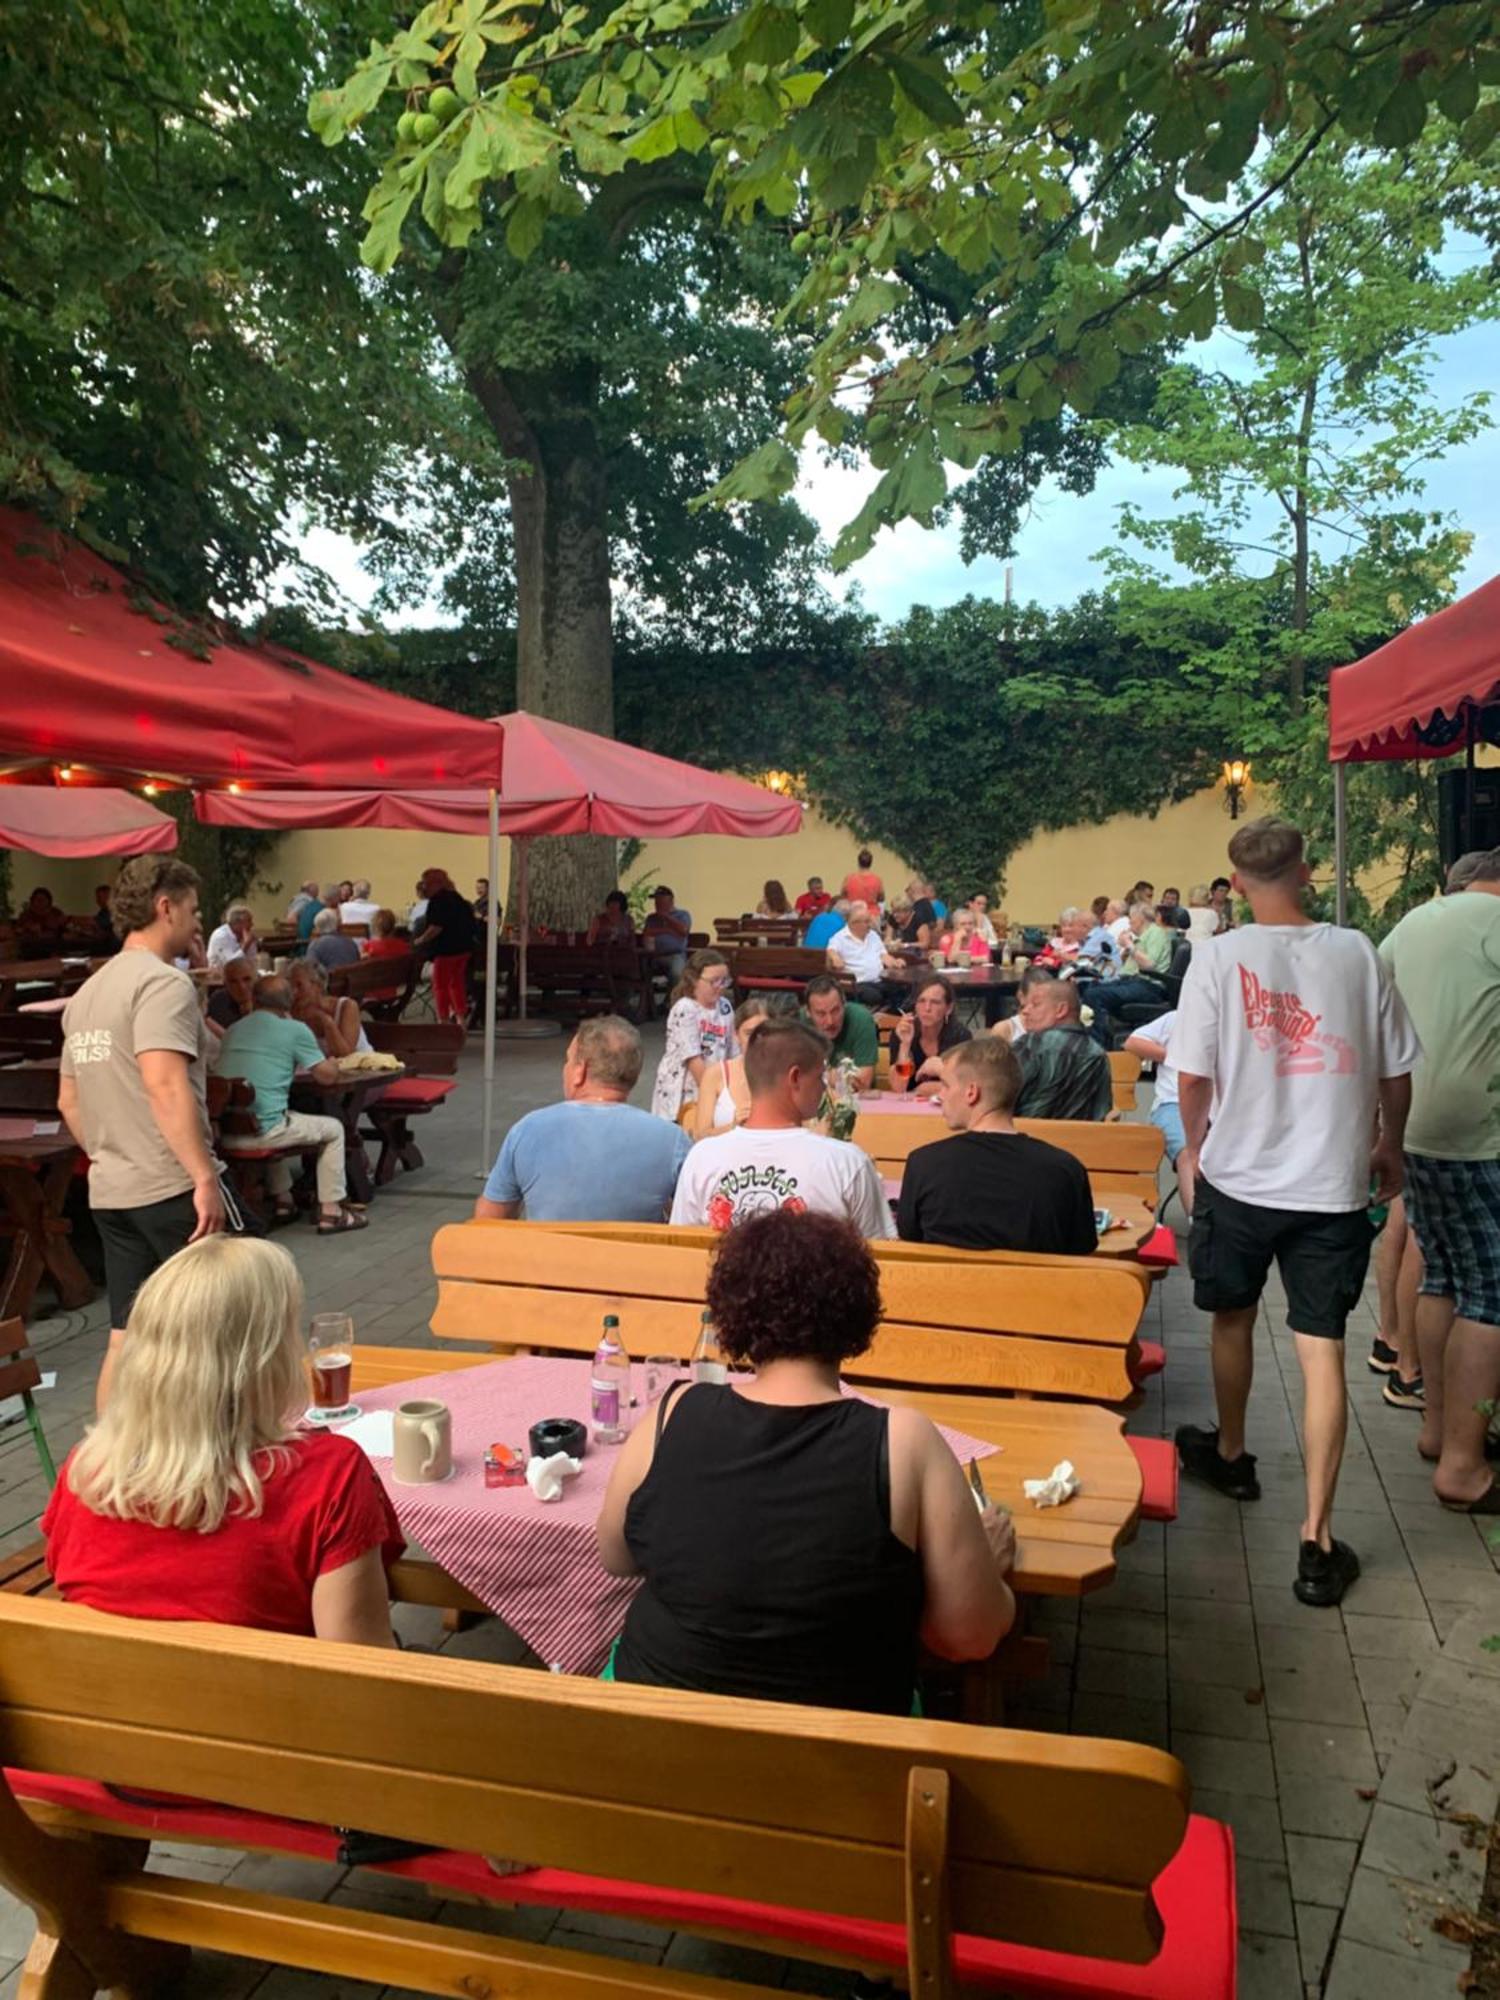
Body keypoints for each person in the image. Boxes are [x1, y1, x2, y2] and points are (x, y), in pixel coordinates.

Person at [598, 1209, 1014, 1712]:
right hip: (842, 1767)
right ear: (857, 1312)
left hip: (646, 1744)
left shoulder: (672, 1413)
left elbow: (615, 1557)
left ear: (732, 1315)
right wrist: (986, 1569)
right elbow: (968, 1638)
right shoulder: (903, 1441)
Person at [1172, 817, 1418, 1607]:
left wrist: (1193, 1147)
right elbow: (1396, 1069)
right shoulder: (1357, 953)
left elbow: (1192, 1076)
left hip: (1240, 1179)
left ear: (1236, 883)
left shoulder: (1216, 956)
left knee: (1232, 1320)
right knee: (1321, 1352)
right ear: (1306, 872)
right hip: (1331, 1184)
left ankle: (1235, 1454)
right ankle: (1316, 1539)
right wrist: (1392, 1144)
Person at [42, 1236, 401, 1642]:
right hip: (273, 1703)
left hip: (99, 1700)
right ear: (267, 1358)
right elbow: (361, 1667)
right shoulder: (329, 1476)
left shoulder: (84, 1471)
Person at [57, 856, 223, 1408]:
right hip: (170, 1184)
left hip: (113, 1189)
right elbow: (165, 1084)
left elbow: (69, 1100)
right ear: (164, 906)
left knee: (126, 1334)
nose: (198, 924)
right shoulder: (159, 985)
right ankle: (214, 1453)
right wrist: (202, 1176)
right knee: (217, 1329)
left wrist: (111, 1149)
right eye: (194, 911)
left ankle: (105, 1463)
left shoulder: (88, 994)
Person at [1378, 845, 1500, 1513]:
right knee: (1493, 1292)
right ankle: (1463, 1465)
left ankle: (1437, 1430)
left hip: (1418, 1123)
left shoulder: (1419, 920)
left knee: (1444, 1276)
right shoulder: (1494, 921)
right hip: (1483, 1133)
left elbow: (1374, 997)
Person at [670, 1019, 894, 1237]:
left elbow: (683, 1251)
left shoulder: (702, 1158)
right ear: (795, 1078)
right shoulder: (846, 1163)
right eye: (820, 1077)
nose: (824, 1086)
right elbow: (882, 1256)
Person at [477, 1017, 692, 1223]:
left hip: (548, 1259)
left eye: (568, 1060)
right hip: (633, 1260)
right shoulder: (672, 1140)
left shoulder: (527, 1130)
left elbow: (488, 1221)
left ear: (580, 1071)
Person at [898, 1039, 1096, 1255]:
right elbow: (1081, 1251)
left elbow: (911, 1242)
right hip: (1036, 1288)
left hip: (947, 1287)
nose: (941, 1095)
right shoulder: (1065, 1170)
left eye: (945, 1085)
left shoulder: (924, 1164)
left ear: (971, 1092)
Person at [217, 977, 368, 1234]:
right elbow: (326, 1076)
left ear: (254, 999)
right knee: (333, 1128)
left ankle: (284, 1201)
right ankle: (332, 1211)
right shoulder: (295, 1030)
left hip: (226, 1132)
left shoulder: (233, 1029)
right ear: (288, 1003)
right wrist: (331, 1063)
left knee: (273, 1114)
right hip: (265, 1133)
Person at [1005, 975, 1112, 1121]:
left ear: (1061, 1010)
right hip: (1078, 1142)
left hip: (1025, 1138)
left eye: (1035, 1005)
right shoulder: (1098, 1054)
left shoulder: (1030, 1044)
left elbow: (999, 1099)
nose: (1025, 1011)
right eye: (1025, 1005)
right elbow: (1102, 1113)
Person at [694, 995, 798, 1137]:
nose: (756, 1040)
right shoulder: (716, 1074)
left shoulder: (789, 1074)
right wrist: (733, 1127)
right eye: (749, 1033)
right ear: (736, 1035)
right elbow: (699, 1135)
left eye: (763, 1033)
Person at [651, 950, 737, 1121]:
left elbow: (734, 1050)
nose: (720, 987)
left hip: (715, 1087)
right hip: (683, 1094)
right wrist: (718, 1095)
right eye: (714, 981)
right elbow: (693, 1060)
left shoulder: (725, 1007)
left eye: (724, 981)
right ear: (694, 980)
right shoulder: (685, 1009)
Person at [1124, 1010, 1193, 1217]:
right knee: (1187, 1152)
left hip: (1223, 1108)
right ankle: (1199, 1223)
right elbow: (1133, 1042)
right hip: (1174, 1103)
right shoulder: (1178, 1018)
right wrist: (1175, 1057)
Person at [1079, 902, 1175, 1047]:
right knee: (1090, 986)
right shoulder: (1138, 937)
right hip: (1130, 980)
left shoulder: (1156, 933)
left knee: (1095, 995)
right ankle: (1102, 1037)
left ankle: (1098, 1046)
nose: (1129, 923)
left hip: (1149, 986)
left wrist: (1129, 945)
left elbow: (1150, 965)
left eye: (1131, 919)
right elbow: (1125, 966)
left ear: (1140, 919)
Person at [411, 867, 477, 1025]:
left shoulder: (438, 901)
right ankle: (461, 1018)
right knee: (456, 984)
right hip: (464, 948)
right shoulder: (457, 897)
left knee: (440, 985)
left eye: (426, 883)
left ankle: (443, 1020)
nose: (424, 886)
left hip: (447, 950)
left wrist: (420, 940)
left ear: (435, 884)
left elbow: (436, 927)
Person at [891, 973, 970, 1097]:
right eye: (921, 1001)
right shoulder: (902, 1032)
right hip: (909, 1109)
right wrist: (905, 1045)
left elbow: (962, 1085)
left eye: (935, 1002)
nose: (927, 1008)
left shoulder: (960, 1036)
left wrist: (922, 1090)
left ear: (948, 1008)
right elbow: (899, 1088)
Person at [804, 974, 879, 1092]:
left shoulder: (861, 1019)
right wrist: (840, 1077)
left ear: (844, 1005)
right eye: (821, 1014)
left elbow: (863, 1082)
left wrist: (818, 1076)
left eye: (835, 1011)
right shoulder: (798, 1024)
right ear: (808, 1012)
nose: (830, 1021)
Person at [287, 958, 369, 1059]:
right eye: (291, 986)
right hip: (325, 1072)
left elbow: (345, 1056)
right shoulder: (293, 1011)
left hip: (363, 1070)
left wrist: (326, 1020)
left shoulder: (347, 1007)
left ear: (318, 986)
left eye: (299, 985)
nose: (293, 992)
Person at [825, 900, 901, 1006]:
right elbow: (831, 950)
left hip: (879, 980)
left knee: (900, 989)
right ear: (854, 923)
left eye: (869, 921)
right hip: (857, 984)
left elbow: (884, 955)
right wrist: (835, 957)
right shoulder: (840, 938)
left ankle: (894, 1018)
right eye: (867, 922)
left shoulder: (873, 935)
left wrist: (894, 961)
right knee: (875, 996)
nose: (870, 925)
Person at [641, 885, 693, 985]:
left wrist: (666, 917)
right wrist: (667, 930)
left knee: (677, 973)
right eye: (656, 901)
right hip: (654, 956)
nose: (657, 904)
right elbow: (647, 932)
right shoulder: (651, 918)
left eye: (661, 901)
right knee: (637, 969)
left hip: (675, 955)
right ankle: (648, 999)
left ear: (671, 901)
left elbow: (684, 930)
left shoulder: (682, 915)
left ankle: (673, 998)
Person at [207, 954, 257, 1033]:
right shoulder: (218, 1002)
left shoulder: (269, 1001)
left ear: (256, 979)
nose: (242, 987)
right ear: (225, 984)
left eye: (247, 979)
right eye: (234, 982)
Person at [206, 903, 258, 977]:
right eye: (249, 921)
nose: (252, 924)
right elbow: (230, 965)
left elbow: (252, 963)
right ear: (237, 923)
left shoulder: (246, 936)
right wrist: (246, 945)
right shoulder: (220, 936)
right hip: (220, 980)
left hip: (242, 977)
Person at [16, 886, 68, 957]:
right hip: (32, 949)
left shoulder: (55, 912)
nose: (40, 903)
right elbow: (19, 930)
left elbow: (64, 926)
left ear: (49, 901)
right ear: (32, 901)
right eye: (38, 900)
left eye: (43, 900)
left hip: (54, 947)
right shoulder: (26, 915)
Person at [307, 906, 361, 973]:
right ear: (336, 924)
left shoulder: (315, 945)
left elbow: (310, 971)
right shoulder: (350, 942)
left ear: (318, 926)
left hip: (331, 982)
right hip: (352, 981)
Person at [297, 882, 338, 946]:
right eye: (339, 897)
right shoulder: (324, 913)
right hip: (309, 948)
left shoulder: (311, 904)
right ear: (335, 898)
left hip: (300, 945)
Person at [89, 884, 120, 955]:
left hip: (113, 950)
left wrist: (70, 919)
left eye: (100, 897)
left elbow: (95, 922)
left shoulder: (114, 911)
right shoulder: (103, 912)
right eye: (97, 897)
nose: (97, 900)